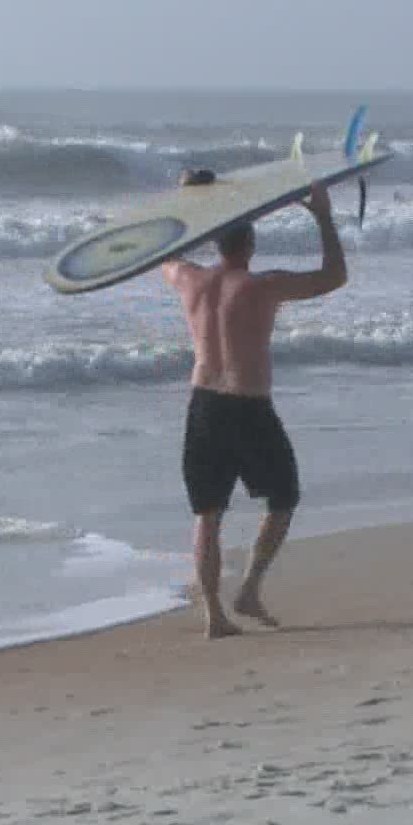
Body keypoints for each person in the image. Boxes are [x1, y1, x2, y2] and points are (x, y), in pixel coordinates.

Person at [161, 169, 347, 639]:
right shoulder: (263, 286)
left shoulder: (189, 281)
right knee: (283, 500)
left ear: (216, 244)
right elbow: (334, 276)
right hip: (249, 407)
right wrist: (323, 218)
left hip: (203, 406)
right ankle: (249, 587)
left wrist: (185, 203)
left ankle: (215, 618)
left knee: (207, 515)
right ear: (251, 245)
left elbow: (163, 251)